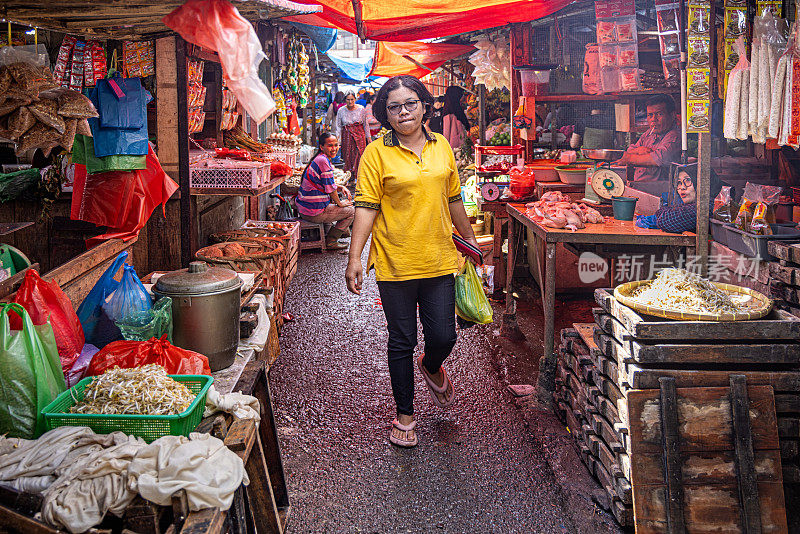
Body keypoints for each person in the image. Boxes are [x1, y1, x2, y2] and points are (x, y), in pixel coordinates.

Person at [345, 75, 481, 448]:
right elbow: (366, 207)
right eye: (394, 107)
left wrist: (469, 242)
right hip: (395, 260)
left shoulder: (441, 148)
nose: (403, 112)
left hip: (439, 256)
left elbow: (454, 198)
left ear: (424, 106)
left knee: (444, 335)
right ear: (384, 114)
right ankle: (405, 415)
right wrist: (354, 257)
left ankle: (432, 366)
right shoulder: (376, 153)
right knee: (401, 340)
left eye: (410, 104)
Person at [296, 132, 354, 250]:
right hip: (313, 212)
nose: (334, 149)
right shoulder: (323, 161)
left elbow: (327, 184)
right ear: (322, 147)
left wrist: (340, 187)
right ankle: (331, 241)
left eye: (336, 145)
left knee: (342, 206)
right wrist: (339, 203)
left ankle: (336, 232)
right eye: (330, 145)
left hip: (305, 208)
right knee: (352, 212)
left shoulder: (320, 159)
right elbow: (330, 190)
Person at [612, 94, 681, 182]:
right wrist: (639, 150)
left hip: (659, 191)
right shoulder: (650, 133)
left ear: (672, 115)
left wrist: (628, 158)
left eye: (659, 114)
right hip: (640, 186)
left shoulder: (675, 135)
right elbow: (630, 150)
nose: (653, 119)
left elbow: (658, 159)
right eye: (650, 115)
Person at [635, 163, 719, 233]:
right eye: (678, 182)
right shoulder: (692, 205)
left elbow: (664, 221)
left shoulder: (703, 208)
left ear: (702, 183)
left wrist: (661, 215)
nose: (682, 187)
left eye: (688, 180)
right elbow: (663, 212)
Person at [334, 91, 371, 175]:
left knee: (359, 155)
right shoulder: (341, 110)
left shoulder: (361, 109)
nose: (350, 102)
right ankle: (350, 175)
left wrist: (368, 138)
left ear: (355, 99)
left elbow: (366, 124)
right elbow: (338, 126)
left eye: (352, 99)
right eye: (348, 99)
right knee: (348, 156)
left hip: (359, 135)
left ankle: (359, 176)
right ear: (345, 100)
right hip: (347, 136)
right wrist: (338, 140)